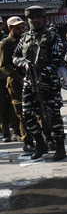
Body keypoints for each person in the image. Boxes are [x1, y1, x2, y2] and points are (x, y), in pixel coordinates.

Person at [12, 6, 67, 160]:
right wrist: (24, 63)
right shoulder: (25, 37)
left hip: (48, 82)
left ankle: (60, 147)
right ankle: (40, 144)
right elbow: (15, 57)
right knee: (27, 114)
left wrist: (42, 73)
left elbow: (57, 59)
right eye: (31, 19)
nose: (35, 21)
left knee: (53, 115)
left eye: (38, 18)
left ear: (44, 19)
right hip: (29, 82)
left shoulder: (52, 36)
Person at [0, 17, 26, 148]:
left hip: (26, 79)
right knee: (10, 109)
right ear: (10, 28)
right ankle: (11, 133)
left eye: (21, 27)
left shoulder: (24, 40)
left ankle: (23, 134)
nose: (20, 29)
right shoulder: (6, 43)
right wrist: (17, 77)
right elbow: (4, 65)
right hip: (12, 81)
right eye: (17, 27)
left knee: (25, 110)